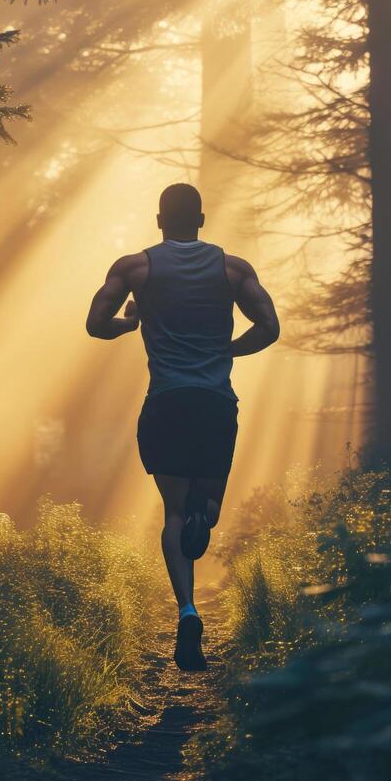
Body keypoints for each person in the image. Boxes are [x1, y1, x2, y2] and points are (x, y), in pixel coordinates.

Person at [85, 183, 280, 671]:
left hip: (166, 403)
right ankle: (203, 514)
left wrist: (131, 324)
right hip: (215, 404)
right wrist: (227, 350)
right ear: (202, 219)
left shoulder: (135, 267)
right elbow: (270, 327)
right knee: (206, 513)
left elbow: (95, 323)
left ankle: (188, 610)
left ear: (158, 221)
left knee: (173, 512)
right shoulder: (234, 270)